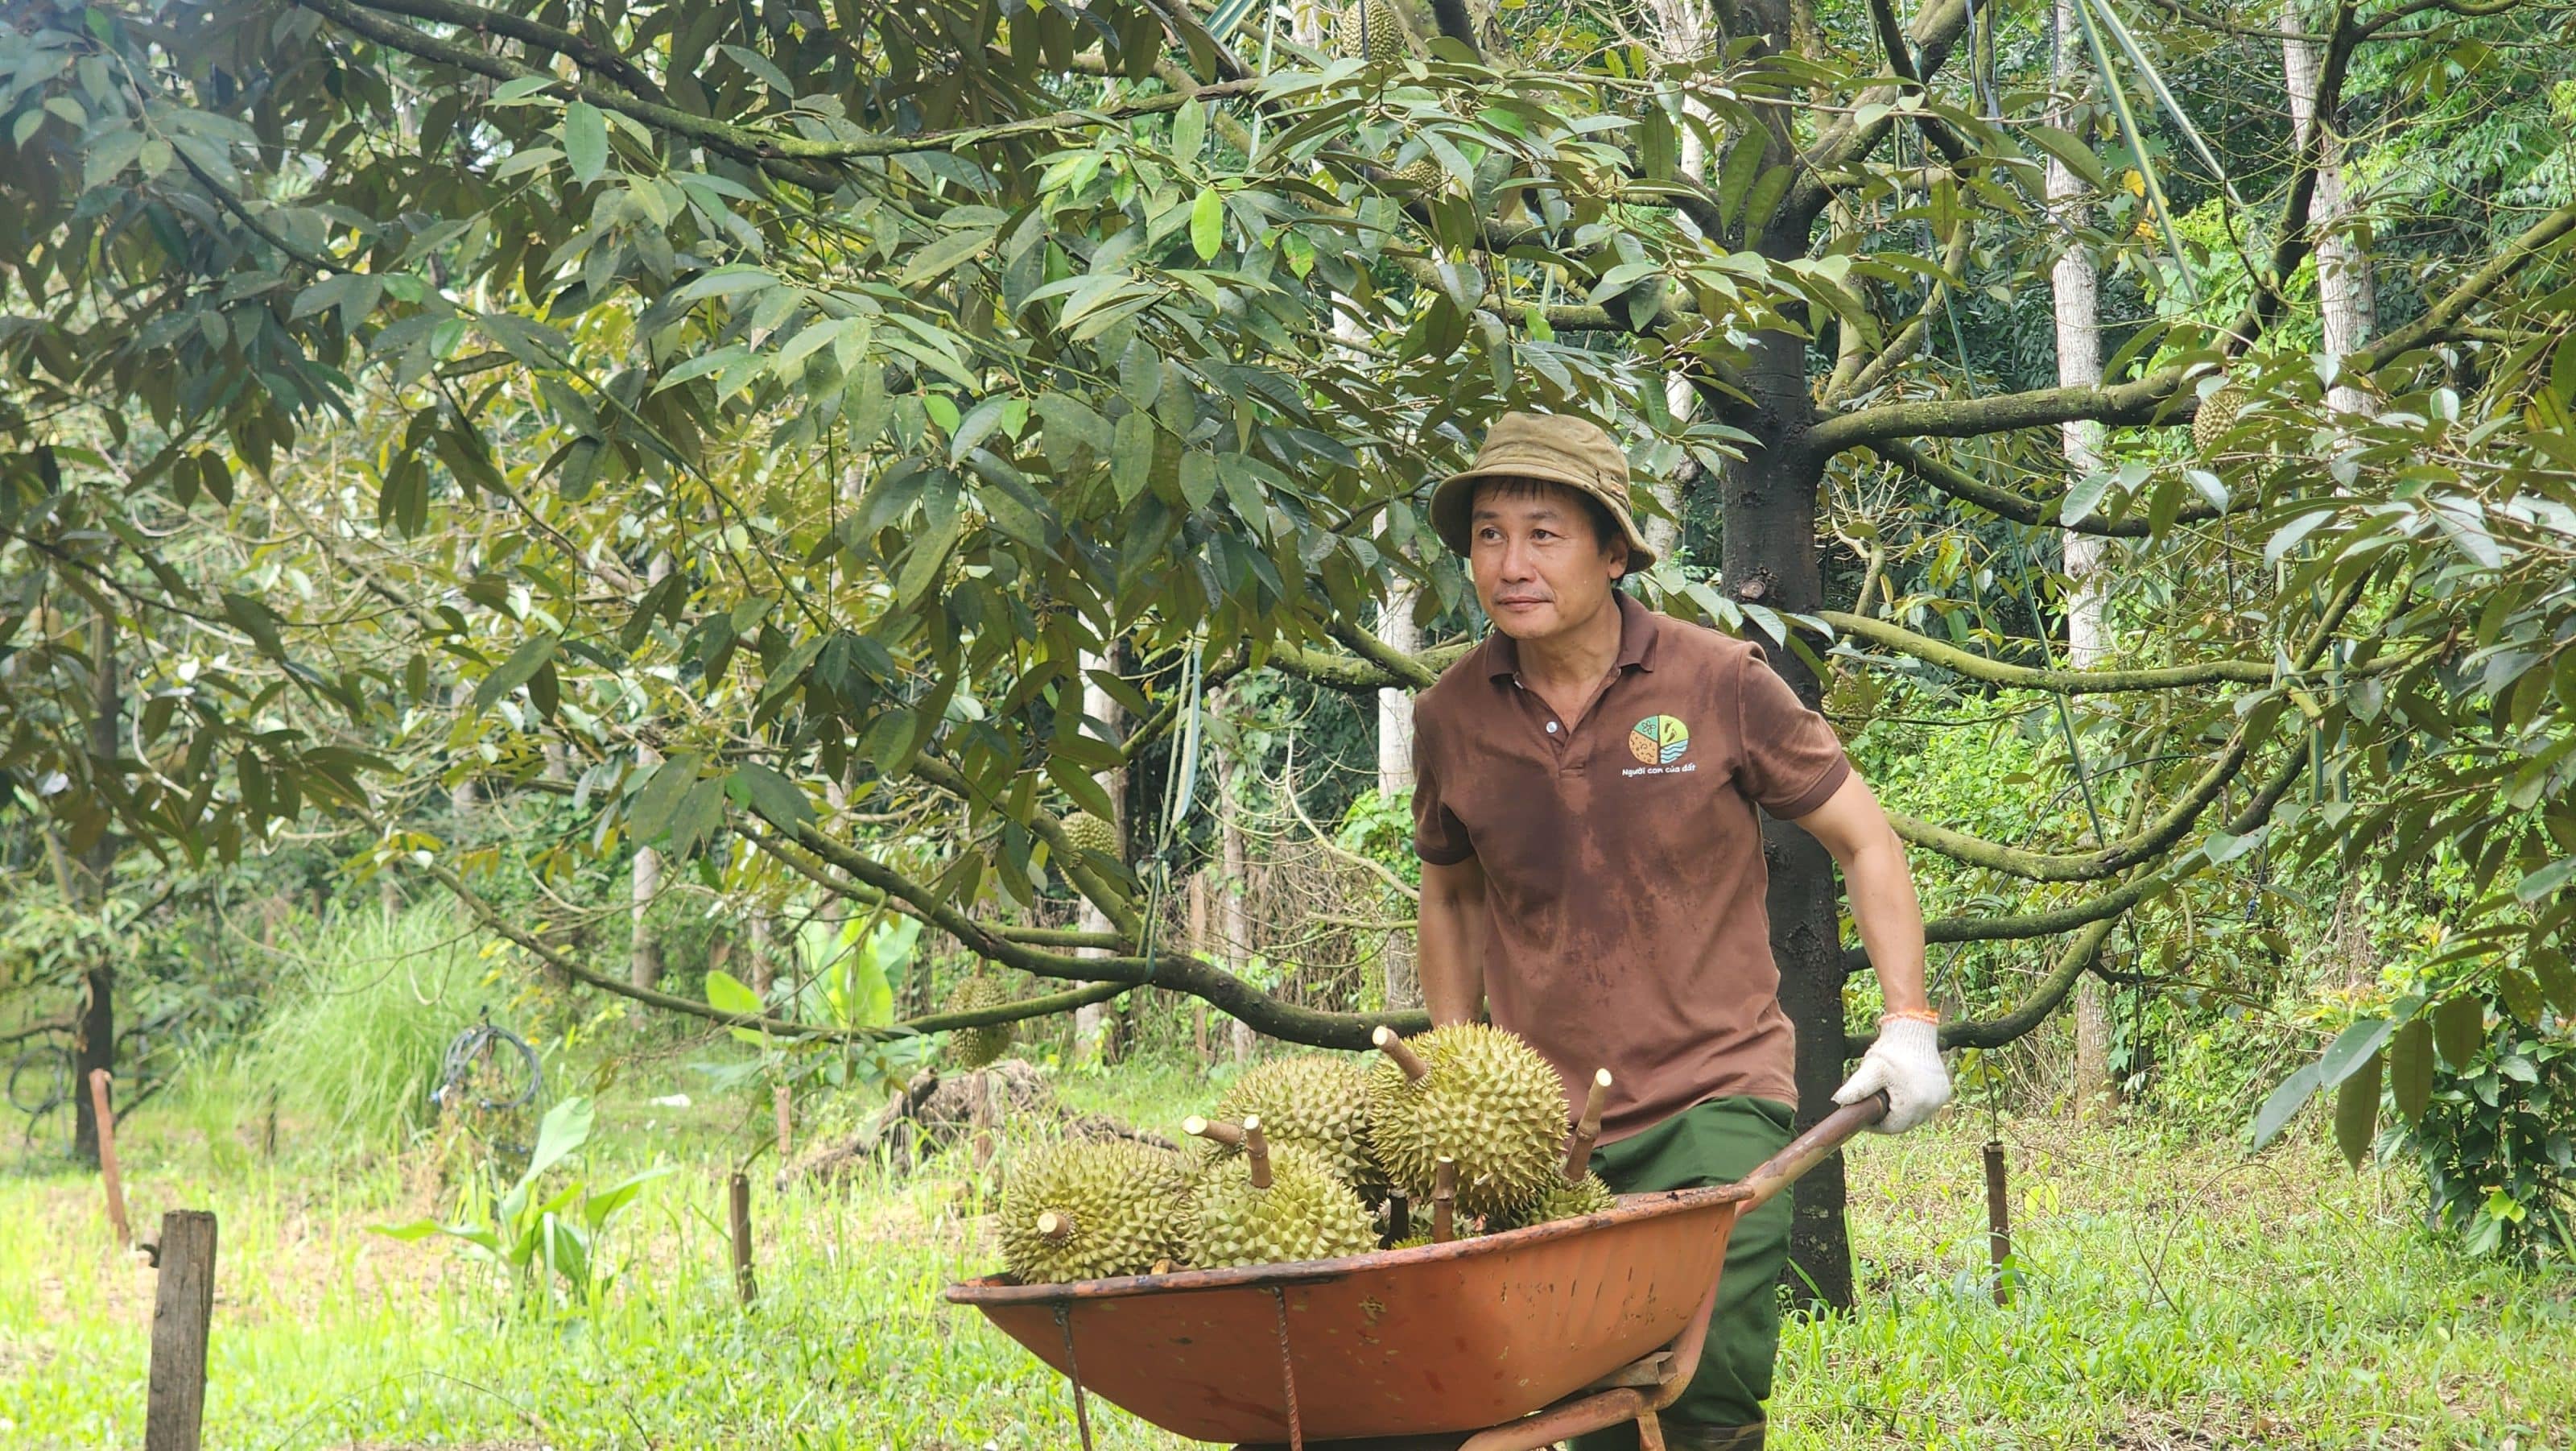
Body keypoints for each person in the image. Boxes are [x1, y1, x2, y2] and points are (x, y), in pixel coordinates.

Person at [1408, 411, 1951, 1451]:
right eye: (1488, 535)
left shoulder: (1718, 680)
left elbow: (1866, 840)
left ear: (1614, 553)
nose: (1511, 564)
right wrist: (1454, 1064)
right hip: (1536, 1125)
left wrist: (1908, 1020)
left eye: (1543, 534)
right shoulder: (1451, 716)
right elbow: (1453, 893)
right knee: (1584, 1399)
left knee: (1699, 1386)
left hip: (1714, 1093)